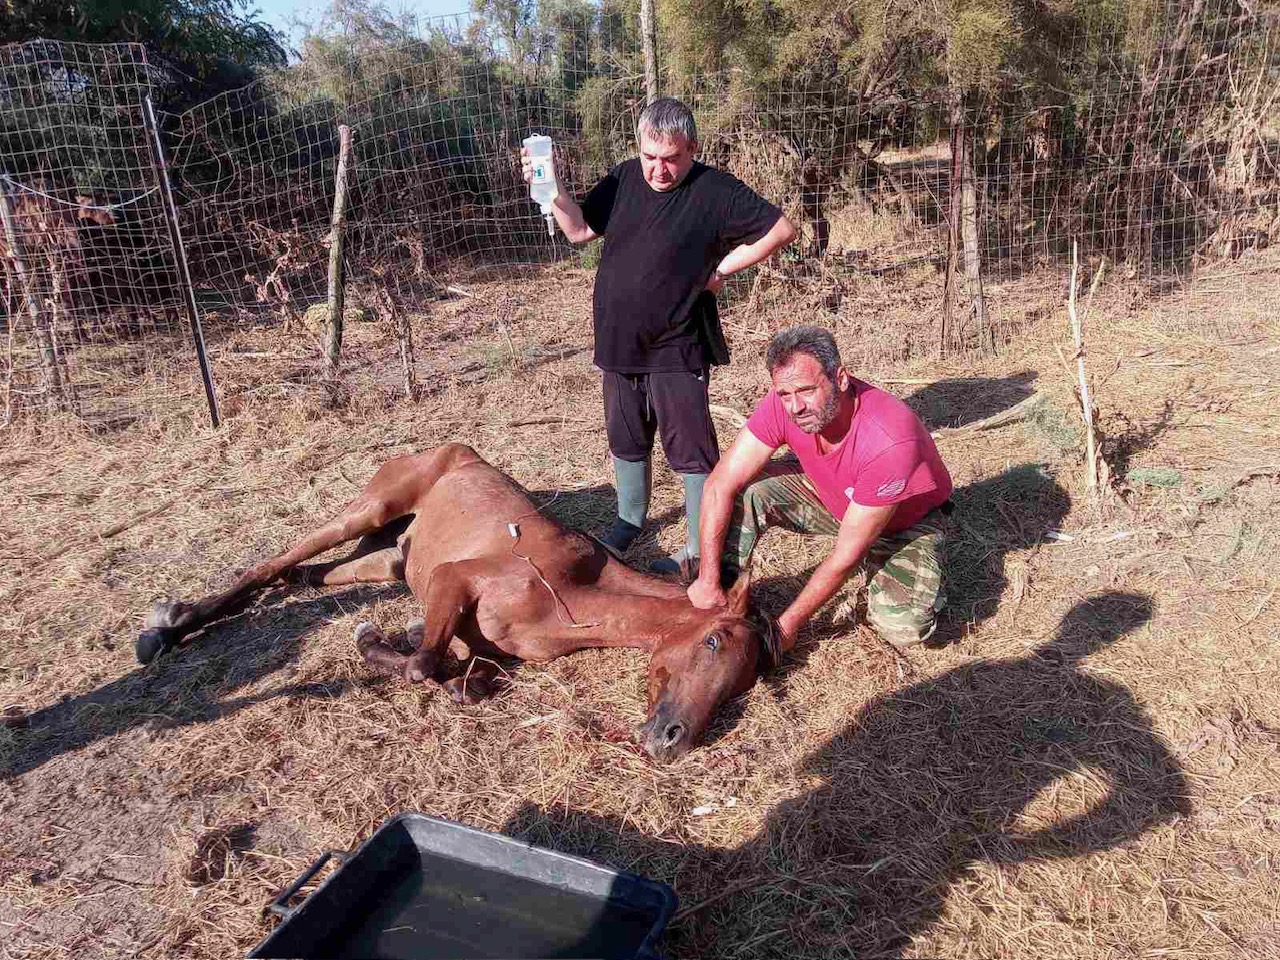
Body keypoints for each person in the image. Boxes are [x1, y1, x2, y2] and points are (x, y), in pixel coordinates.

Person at [521, 98, 797, 575]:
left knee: (690, 451)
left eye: (670, 158)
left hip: (677, 346)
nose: (659, 169)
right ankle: (629, 520)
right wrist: (553, 192)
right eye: (650, 156)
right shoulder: (626, 177)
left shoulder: (715, 191)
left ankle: (695, 547)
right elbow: (580, 231)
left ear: (692, 147)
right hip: (617, 344)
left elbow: (782, 228)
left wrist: (724, 269)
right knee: (626, 439)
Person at [687, 325, 954, 651]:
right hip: (835, 496)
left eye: (807, 391)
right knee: (745, 488)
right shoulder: (783, 401)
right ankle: (725, 595)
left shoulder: (889, 440)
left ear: (841, 378)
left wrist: (787, 627)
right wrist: (707, 579)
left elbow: (846, 555)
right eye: (785, 395)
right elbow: (719, 483)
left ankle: (895, 565)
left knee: (903, 627)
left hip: (902, 523)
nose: (795, 406)